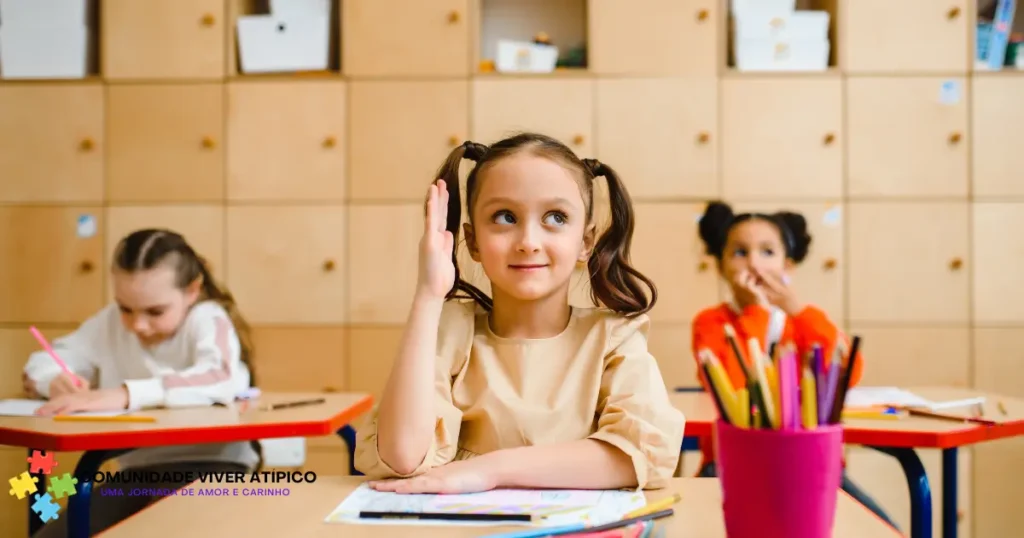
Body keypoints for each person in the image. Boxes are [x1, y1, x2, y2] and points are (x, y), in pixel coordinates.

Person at [353, 133, 686, 494]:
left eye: (556, 217)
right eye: (505, 216)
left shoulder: (614, 338)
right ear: (474, 240)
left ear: (585, 242)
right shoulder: (450, 328)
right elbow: (402, 455)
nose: (528, 240)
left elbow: (638, 455)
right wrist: (428, 295)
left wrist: (491, 470)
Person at [23, 228, 261, 538]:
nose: (138, 325)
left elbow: (222, 376)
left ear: (192, 291)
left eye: (155, 311)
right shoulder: (109, 324)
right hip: (136, 474)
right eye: (125, 308)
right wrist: (53, 381)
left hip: (216, 467)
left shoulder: (207, 318)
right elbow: (41, 364)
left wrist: (125, 394)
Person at [690, 200, 899, 531]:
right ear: (720, 265)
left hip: (811, 464)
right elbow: (734, 380)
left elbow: (847, 374)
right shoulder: (711, 322)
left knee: (883, 529)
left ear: (789, 265)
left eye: (767, 252)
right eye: (740, 252)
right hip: (731, 465)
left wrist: (797, 311)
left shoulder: (803, 319)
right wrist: (756, 314)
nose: (755, 262)